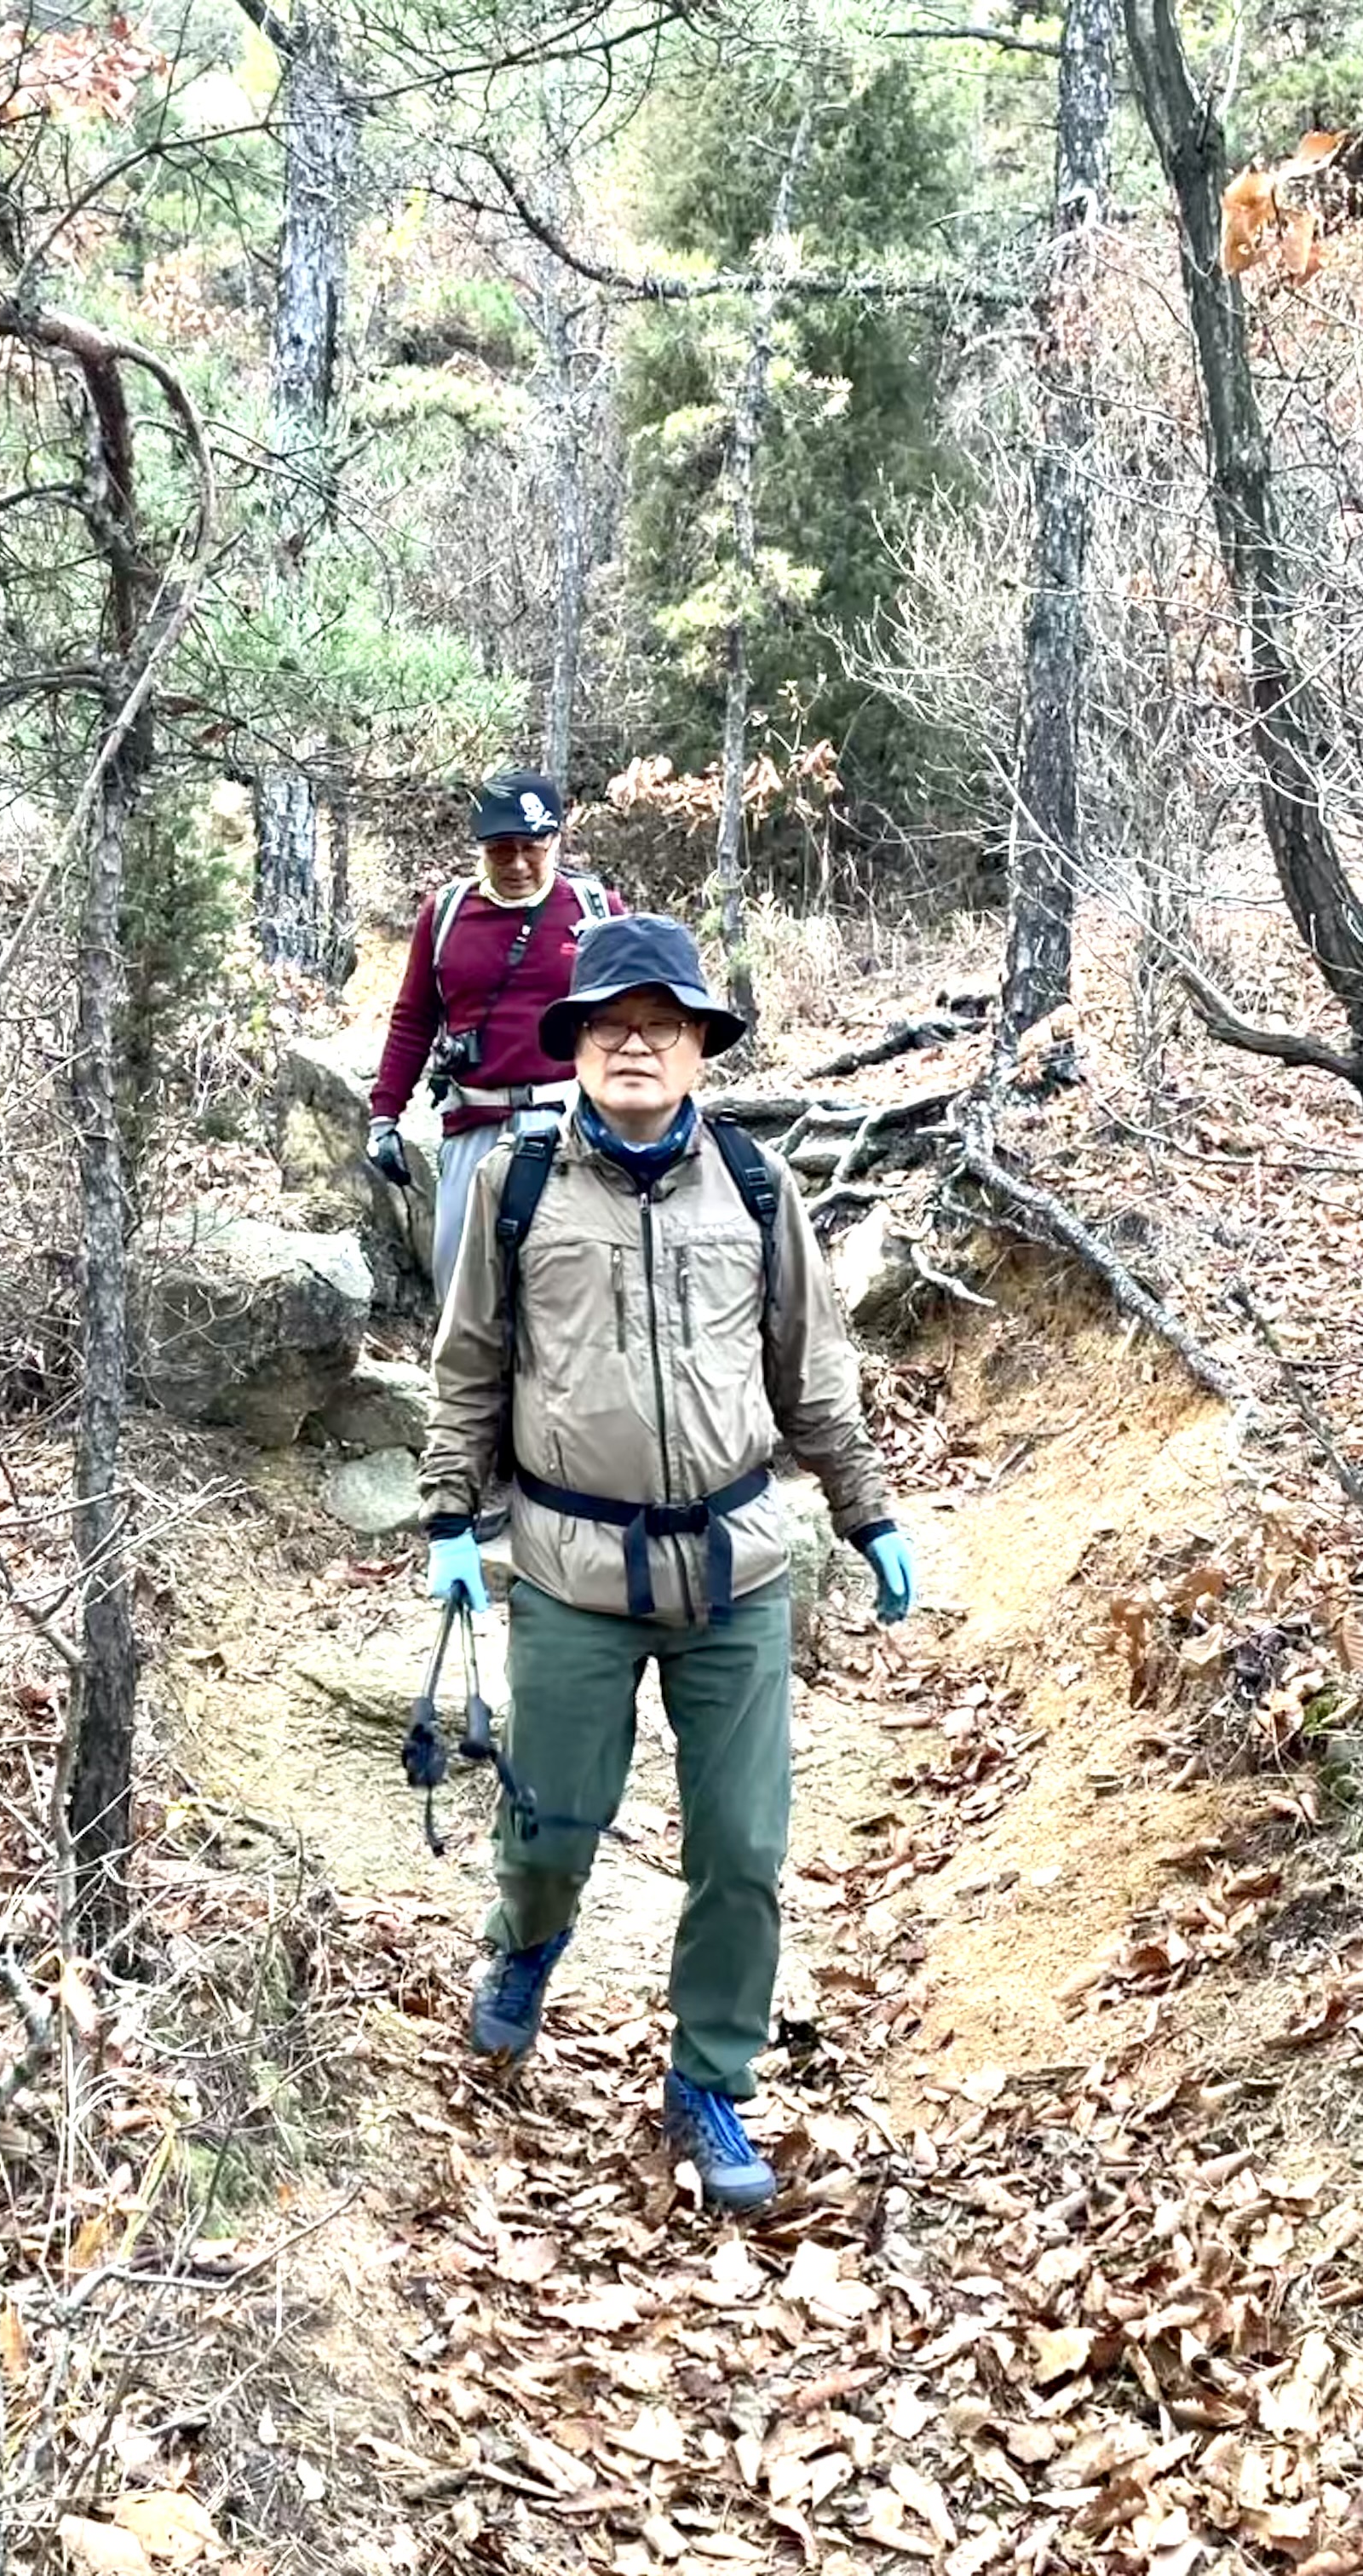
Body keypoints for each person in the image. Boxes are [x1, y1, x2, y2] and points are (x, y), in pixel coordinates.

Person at [417, 914, 917, 2214]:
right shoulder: (519, 1187)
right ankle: (528, 1947)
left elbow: (812, 1370)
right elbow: (468, 1367)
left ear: (700, 1048)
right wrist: (451, 1522)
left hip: (734, 1576)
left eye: (662, 1024)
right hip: (572, 1570)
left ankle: (708, 2081)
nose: (635, 1044)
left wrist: (868, 1516)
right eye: (610, 1024)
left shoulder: (755, 1184)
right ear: (576, 1046)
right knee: (549, 1825)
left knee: (742, 1847)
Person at [365, 768, 622, 1293]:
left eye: (533, 848)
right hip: (473, 1124)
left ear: (555, 840)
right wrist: (384, 1116)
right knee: (463, 1289)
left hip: (571, 1124)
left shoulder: (597, 912)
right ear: (480, 846)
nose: (519, 864)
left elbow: (629, 1019)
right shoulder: (446, 914)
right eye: (502, 850)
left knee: (568, 1289)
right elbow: (414, 1017)